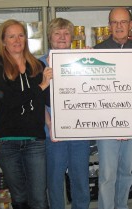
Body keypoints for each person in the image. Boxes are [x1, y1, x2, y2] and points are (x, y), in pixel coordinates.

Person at [0, 19, 52, 209]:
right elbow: (9, 100)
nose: (17, 40)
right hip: (6, 141)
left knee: (39, 197)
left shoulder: (37, 66)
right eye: (11, 36)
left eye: (21, 35)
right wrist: (41, 86)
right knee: (20, 197)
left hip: (34, 140)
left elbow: (45, 100)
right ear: (3, 41)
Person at [93, 7, 132, 209]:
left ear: (131, 25)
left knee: (126, 171)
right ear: (109, 26)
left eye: (123, 22)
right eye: (115, 22)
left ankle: (121, 206)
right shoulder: (97, 52)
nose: (119, 26)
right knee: (107, 175)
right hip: (107, 125)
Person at [39, 18, 90, 209]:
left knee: (80, 178)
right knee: (54, 179)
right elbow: (36, 100)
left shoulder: (81, 61)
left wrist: (91, 58)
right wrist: (50, 124)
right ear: (50, 37)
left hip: (79, 131)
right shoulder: (38, 64)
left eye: (66, 33)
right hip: (53, 133)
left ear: (72, 37)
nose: (62, 37)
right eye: (57, 33)